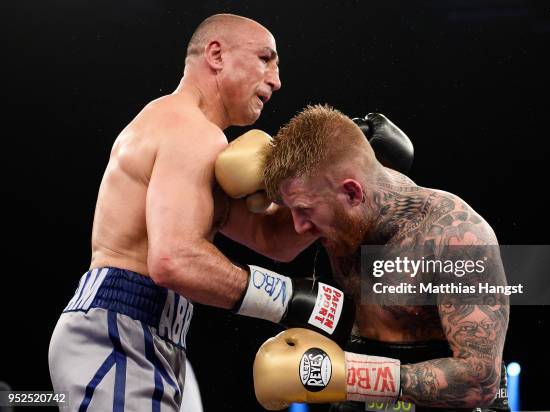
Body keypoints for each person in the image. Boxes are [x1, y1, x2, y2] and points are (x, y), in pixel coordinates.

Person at [48, 15, 356, 412]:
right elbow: (173, 260)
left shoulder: (205, 143)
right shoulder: (187, 128)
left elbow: (274, 241)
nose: (276, 80)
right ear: (216, 54)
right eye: (265, 58)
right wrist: (287, 299)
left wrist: (339, 182)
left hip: (148, 333)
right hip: (119, 327)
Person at [254, 105, 510, 411]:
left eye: (305, 211)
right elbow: (265, 236)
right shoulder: (329, 204)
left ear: (352, 193)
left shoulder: (457, 238)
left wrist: (348, 377)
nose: (298, 227)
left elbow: (479, 381)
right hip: (361, 394)